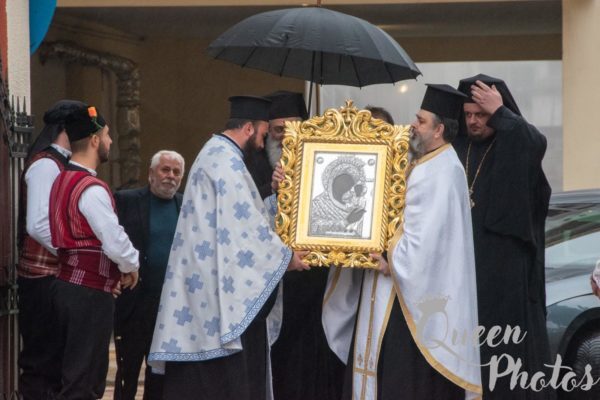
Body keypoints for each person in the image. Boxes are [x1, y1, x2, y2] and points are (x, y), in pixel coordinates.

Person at [322, 85, 482, 400]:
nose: (413, 125)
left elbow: (426, 245)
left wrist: (389, 262)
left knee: (404, 378)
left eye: (421, 121)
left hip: (410, 298)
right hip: (403, 289)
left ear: (438, 129)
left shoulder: (439, 171)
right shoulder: (430, 163)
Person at [148, 95, 310, 400]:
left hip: (205, 283)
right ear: (249, 128)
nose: (262, 144)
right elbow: (244, 230)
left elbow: (246, 218)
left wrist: (277, 195)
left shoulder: (217, 154)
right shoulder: (226, 163)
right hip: (214, 293)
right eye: (263, 134)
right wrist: (286, 258)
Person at [453, 74, 554, 399]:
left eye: (481, 115)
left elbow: (536, 143)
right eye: (468, 114)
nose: (473, 121)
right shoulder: (458, 149)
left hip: (506, 282)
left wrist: (501, 113)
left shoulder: (514, 142)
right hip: (464, 278)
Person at [48, 104, 140, 399]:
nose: (111, 141)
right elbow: (113, 239)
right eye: (108, 135)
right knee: (85, 379)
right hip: (87, 293)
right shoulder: (91, 188)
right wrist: (131, 264)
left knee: (72, 373)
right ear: (95, 140)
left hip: (66, 285)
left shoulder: (60, 179)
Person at [16, 100, 83, 400]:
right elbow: (38, 225)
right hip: (41, 279)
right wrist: (74, 256)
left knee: (57, 362)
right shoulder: (46, 165)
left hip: (54, 276)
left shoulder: (61, 164)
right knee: (41, 362)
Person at [113, 150, 185, 400]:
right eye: (165, 170)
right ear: (151, 174)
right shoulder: (126, 200)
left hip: (169, 308)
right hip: (134, 304)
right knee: (127, 374)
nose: (170, 176)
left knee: (160, 378)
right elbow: (111, 241)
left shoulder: (186, 206)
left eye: (176, 172)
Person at [245, 90, 308, 199]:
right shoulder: (252, 158)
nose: (287, 137)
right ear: (268, 130)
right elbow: (248, 199)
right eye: (279, 129)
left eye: (293, 129)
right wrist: (272, 187)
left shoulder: (313, 154)